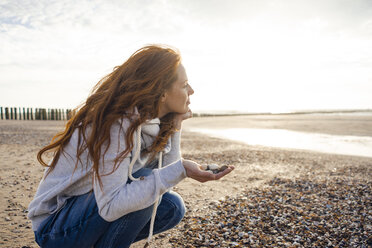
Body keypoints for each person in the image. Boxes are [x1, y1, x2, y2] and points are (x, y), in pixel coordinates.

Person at [27, 45, 234, 248]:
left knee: (172, 207)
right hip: (53, 227)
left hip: (86, 214)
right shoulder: (115, 123)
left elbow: (165, 183)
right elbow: (111, 206)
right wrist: (183, 169)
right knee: (143, 186)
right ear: (162, 93)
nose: (191, 90)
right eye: (184, 84)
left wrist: (176, 127)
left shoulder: (151, 123)